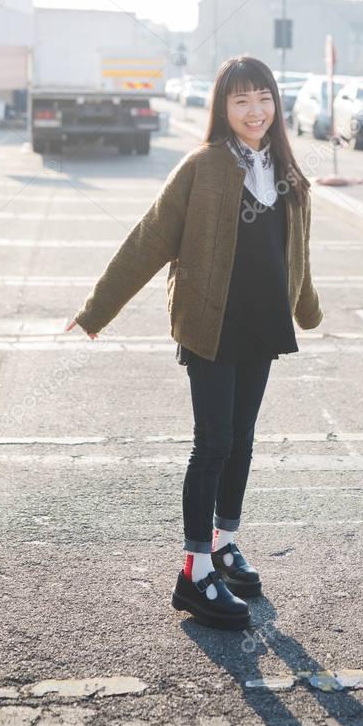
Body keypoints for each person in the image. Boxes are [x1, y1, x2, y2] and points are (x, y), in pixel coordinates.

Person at [65, 56, 323, 631]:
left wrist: (306, 310)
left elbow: (297, 253)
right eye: (241, 101)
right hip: (211, 325)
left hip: (262, 325)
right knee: (213, 443)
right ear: (222, 108)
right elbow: (149, 238)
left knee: (243, 441)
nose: (254, 111)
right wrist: (97, 309)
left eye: (263, 98)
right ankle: (194, 571)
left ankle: (225, 544)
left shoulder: (285, 168)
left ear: (275, 104)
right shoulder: (202, 167)